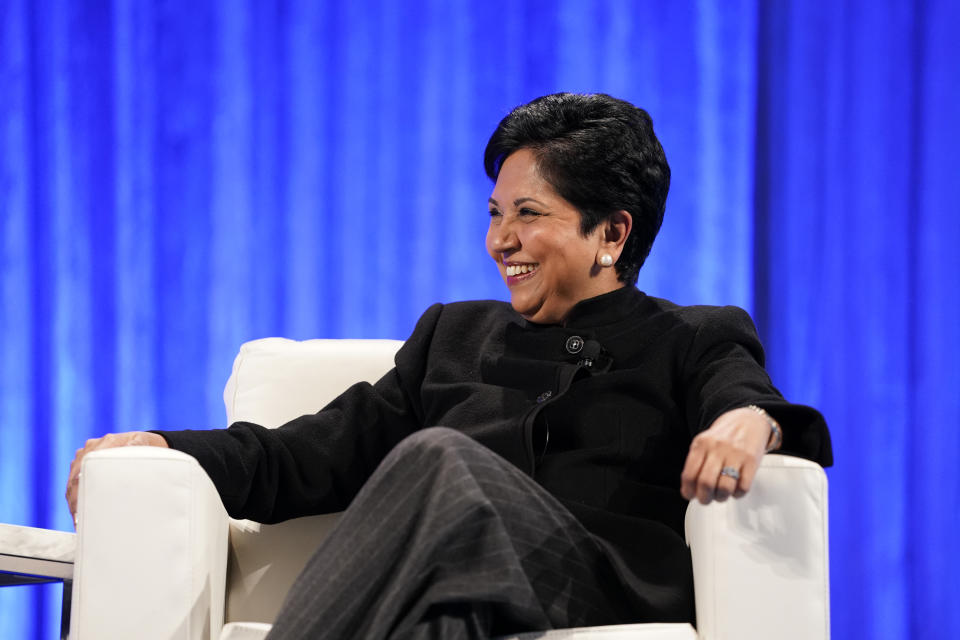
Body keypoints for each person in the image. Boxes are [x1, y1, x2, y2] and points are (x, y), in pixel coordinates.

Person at [66, 93, 832, 639]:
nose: (501, 240)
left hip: (588, 582)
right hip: (462, 584)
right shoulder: (451, 336)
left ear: (612, 232)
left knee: (439, 461)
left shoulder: (690, 335)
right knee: (441, 613)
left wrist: (746, 423)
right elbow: (307, 453)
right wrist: (167, 447)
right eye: (495, 214)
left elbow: (744, 395)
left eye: (528, 215)